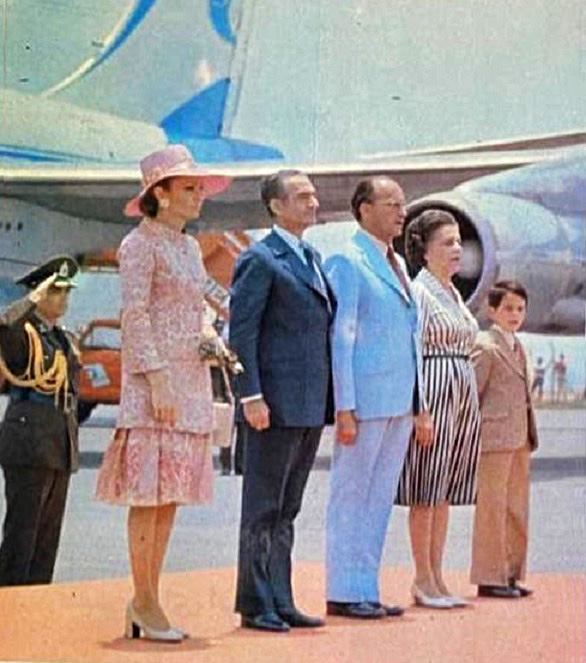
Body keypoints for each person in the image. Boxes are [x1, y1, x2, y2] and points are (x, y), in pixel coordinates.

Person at [95, 144, 231, 642]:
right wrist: (156, 379)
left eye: (199, 187)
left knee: (169, 494)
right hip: (155, 384)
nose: (199, 195)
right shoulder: (138, 244)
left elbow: (195, 310)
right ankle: (145, 600)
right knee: (148, 494)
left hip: (189, 379)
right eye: (189, 187)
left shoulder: (190, 248)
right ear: (161, 193)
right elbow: (135, 315)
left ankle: (147, 600)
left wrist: (211, 339)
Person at [229, 170, 334, 632]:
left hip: (308, 405)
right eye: (302, 196)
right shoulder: (260, 258)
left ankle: (281, 597)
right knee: (262, 508)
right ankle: (256, 603)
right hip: (271, 404)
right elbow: (242, 332)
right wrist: (251, 394)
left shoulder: (311, 257)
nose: (313, 203)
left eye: (313, 195)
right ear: (275, 205)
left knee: (287, 508)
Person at [324, 177, 424, 620]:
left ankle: (365, 586)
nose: (401, 212)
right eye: (391, 204)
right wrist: (344, 406)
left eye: (403, 204)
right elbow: (342, 336)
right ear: (364, 209)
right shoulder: (349, 259)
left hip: (399, 399)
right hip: (364, 401)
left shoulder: (396, 262)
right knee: (351, 495)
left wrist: (418, 402)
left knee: (379, 498)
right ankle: (343, 590)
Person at [396, 209, 481, 609]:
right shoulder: (419, 292)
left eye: (458, 242)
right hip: (434, 388)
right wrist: (420, 408)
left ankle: (437, 576)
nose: (457, 249)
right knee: (426, 488)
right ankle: (422, 578)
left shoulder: (452, 293)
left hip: (460, 390)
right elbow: (411, 350)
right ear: (425, 251)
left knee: (443, 489)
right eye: (447, 243)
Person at [0, 256, 80, 586]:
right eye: (55, 291)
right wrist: (31, 300)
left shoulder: (61, 337)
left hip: (58, 442)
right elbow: (3, 326)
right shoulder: (24, 333)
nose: (63, 298)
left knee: (46, 542)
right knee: (22, 537)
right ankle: (9, 603)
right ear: (39, 292)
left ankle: (37, 603)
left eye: (66, 291)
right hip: (29, 440)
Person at [470, 280, 538, 599]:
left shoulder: (518, 346)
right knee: (492, 509)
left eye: (520, 309)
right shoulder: (486, 346)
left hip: (520, 438)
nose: (515, 315)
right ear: (492, 310)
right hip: (494, 440)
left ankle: (511, 573)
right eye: (508, 308)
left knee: (516, 509)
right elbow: (472, 395)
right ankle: (489, 576)